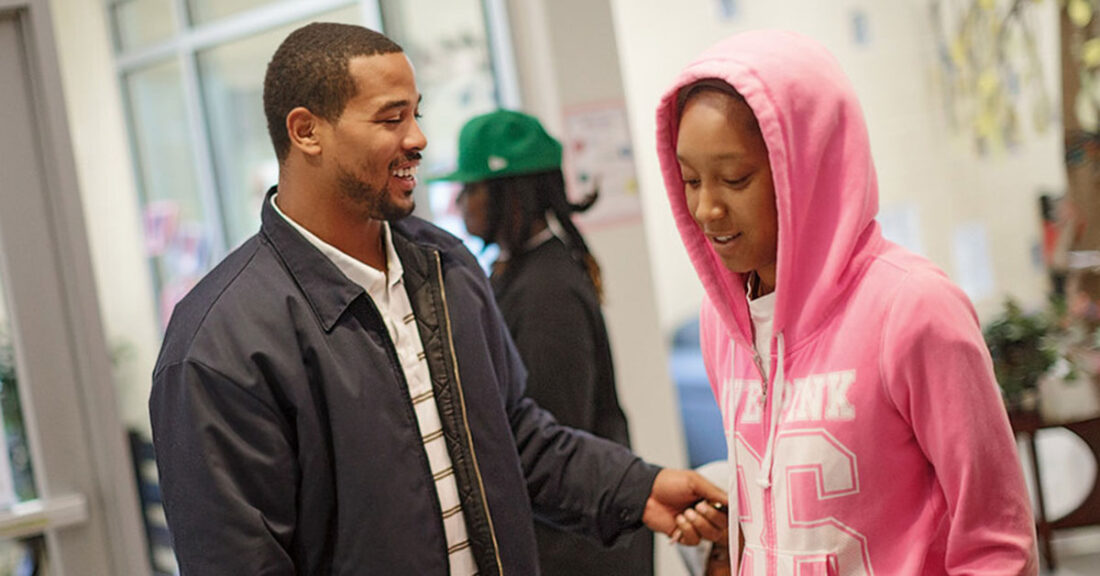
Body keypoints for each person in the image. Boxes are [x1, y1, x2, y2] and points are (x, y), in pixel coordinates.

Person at [148, 22, 726, 575]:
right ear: (306, 132)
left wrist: (637, 487)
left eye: (416, 115)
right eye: (390, 119)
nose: (417, 139)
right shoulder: (218, 346)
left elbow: (512, 437)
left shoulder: (445, 267)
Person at [656, 31, 1038, 574]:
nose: (706, 208)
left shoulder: (913, 307)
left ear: (807, 169)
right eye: (690, 180)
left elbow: (996, 543)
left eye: (734, 178)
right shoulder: (722, 323)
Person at [440, 109, 654, 576]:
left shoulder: (547, 291)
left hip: (580, 549)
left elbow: (554, 429)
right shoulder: (513, 271)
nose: (460, 202)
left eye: (472, 188)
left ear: (511, 195)